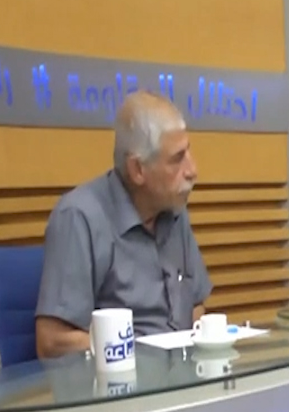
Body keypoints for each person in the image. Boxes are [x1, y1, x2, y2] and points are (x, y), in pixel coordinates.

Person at [34, 91, 211, 357]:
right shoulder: (79, 217)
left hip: (181, 377)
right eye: (177, 159)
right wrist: (135, 354)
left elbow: (196, 306)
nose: (192, 170)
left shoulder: (174, 208)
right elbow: (52, 343)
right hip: (118, 379)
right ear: (137, 170)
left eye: (188, 152)